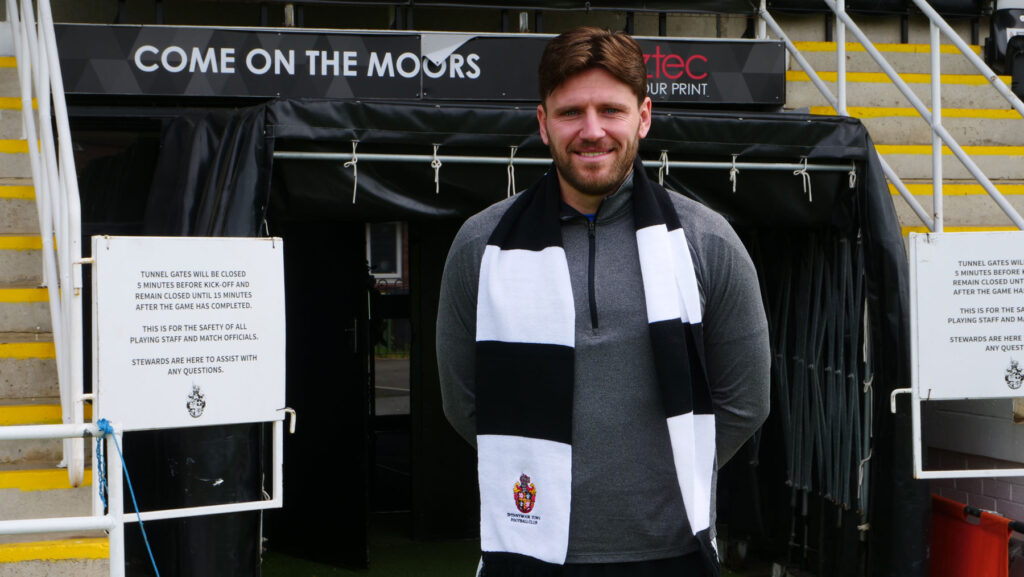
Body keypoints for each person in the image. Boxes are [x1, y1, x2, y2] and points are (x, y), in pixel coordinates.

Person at [436, 26, 770, 577]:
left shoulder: (708, 242)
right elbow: (463, 402)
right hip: (529, 546)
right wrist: (541, 470)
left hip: (672, 549)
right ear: (543, 123)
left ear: (643, 116)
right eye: (571, 113)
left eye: (610, 111)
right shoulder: (481, 245)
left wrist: (660, 478)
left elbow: (746, 399)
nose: (592, 132)